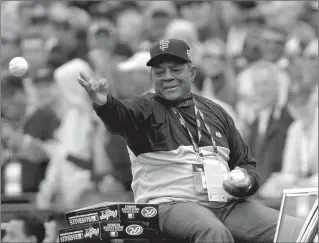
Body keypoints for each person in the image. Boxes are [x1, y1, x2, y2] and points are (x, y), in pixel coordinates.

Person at [77, 39, 303, 242]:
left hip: (225, 204)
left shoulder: (217, 111)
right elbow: (120, 116)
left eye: (175, 70)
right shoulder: (144, 107)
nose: (167, 77)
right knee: (212, 231)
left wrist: (244, 179)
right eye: (159, 72)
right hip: (170, 204)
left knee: (294, 229)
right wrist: (103, 102)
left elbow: (246, 163)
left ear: (192, 72)